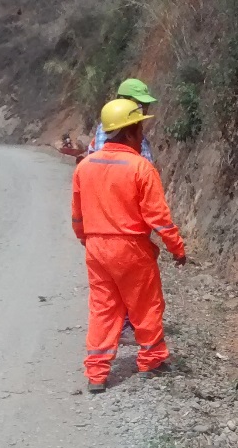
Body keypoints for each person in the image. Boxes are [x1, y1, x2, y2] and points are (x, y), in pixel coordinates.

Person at [72, 99, 186, 393]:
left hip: (96, 247)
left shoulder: (84, 166)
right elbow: (158, 219)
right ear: (133, 129)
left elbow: (77, 217)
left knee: (103, 309)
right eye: (141, 127)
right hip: (131, 246)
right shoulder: (140, 167)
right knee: (146, 305)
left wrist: (89, 240)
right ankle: (151, 360)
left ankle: (96, 374)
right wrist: (177, 249)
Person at [87, 78, 158, 162]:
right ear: (122, 100)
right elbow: (106, 165)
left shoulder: (140, 137)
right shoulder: (109, 131)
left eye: (147, 105)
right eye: (140, 104)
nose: (144, 109)